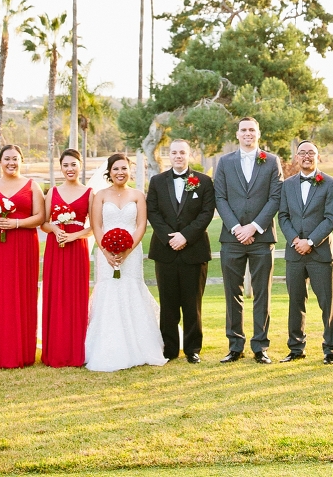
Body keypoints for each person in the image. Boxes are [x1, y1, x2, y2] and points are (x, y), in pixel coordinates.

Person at [85, 153, 167, 372]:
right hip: (106, 254)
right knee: (109, 291)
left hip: (132, 253)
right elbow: (97, 226)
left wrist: (127, 250)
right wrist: (106, 252)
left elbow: (141, 225)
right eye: (116, 169)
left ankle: (140, 345)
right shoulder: (100, 196)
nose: (120, 172)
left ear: (130, 171)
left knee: (131, 288)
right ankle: (107, 346)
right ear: (109, 172)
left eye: (124, 168)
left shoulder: (138, 195)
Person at [213, 117, 283, 364]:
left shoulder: (272, 161)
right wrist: (236, 228)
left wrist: (253, 227)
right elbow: (220, 197)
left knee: (262, 293)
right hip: (231, 238)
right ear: (237, 134)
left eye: (252, 130)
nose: (247, 133)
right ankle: (235, 346)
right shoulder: (225, 162)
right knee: (232, 293)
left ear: (258, 133)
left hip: (262, 237)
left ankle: (260, 346)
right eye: (243, 130)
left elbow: (275, 197)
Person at [146, 139, 215, 363]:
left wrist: (185, 236)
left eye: (182, 152)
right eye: (174, 152)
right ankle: (170, 349)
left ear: (189, 155)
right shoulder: (157, 181)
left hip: (194, 251)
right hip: (165, 251)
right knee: (168, 304)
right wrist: (170, 238)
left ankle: (192, 349)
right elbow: (152, 212)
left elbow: (207, 212)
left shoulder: (203, 181)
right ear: (169, 155)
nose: (178, 156)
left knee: (192, 304)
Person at [0, 143, 45, 368]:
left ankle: (20, 350)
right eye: (7, 158)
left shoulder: (32, 186)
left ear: (21, 161)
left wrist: (16, 223)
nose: (11, 162)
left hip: (23, 245)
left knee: (21, 292)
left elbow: (40, 217)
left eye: (15, 158)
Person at [278, 140, 333, 363]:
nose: (306, 156)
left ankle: (331, 349)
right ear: (296, 157)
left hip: (320, 253)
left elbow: (330, 218)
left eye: (311, 153)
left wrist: (311, 242)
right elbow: (283, 216)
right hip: (295, 253)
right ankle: (296, 348)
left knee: (327, 303)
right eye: (302, 152)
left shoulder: (330, 183)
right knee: (295, 302)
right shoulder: (287, 185)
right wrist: (295, 240)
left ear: (318, 156)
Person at [41, 147, 93, 367]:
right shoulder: (52, 192)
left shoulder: (89, 193)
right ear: (60, 168)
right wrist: (54, 228)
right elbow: (43, 223)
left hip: (77, 248)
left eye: (73, 164)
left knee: (75, 296)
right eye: (65, 165)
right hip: (55, 248)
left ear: (80, 166)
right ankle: (55, 349)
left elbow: (93, 226)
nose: (70, 169)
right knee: (55, 295)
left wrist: (74, 236)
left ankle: (74, 350)